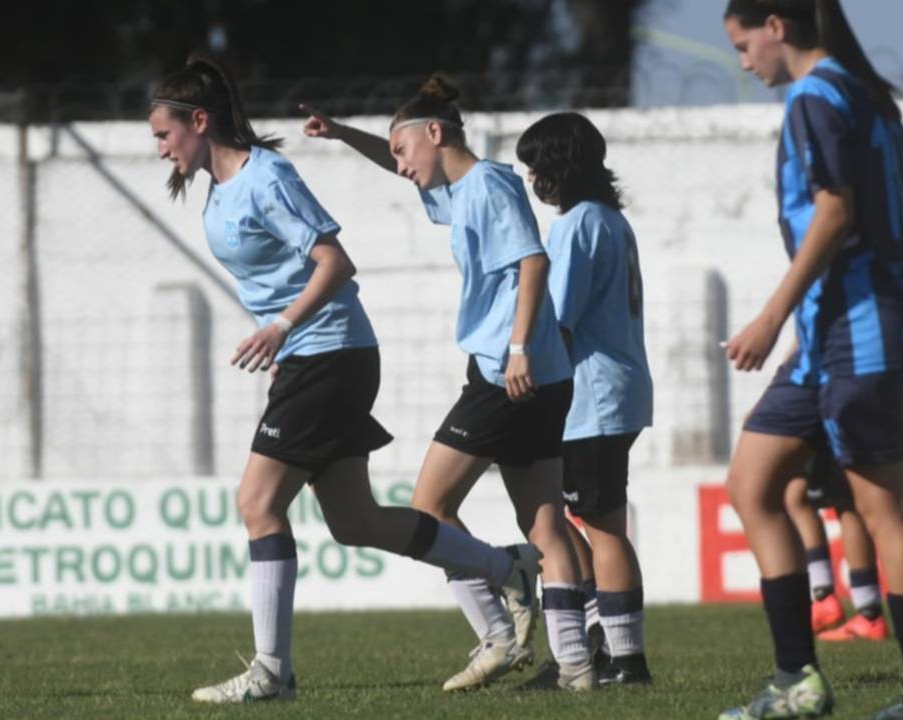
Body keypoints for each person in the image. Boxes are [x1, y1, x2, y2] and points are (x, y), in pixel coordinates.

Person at [148, 54, 542, 704]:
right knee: (355, 521)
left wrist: (281, 327)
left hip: (331, 354)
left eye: (165, 134)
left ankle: (272, 672)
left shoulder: (266, 175)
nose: (161, 149)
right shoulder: (220, 189)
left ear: (199, 121)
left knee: (257, 504)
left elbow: (335, 262)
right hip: (317, 357)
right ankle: (506, 568)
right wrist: (282, 336)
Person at [719, 1, 903, 717]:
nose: (743, 61)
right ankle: (796, 680)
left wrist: (770, 316)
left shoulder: (816, 97)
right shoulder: (869, 99)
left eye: (743, 44)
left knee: (886, 511)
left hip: (857, 336)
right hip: (826, 339)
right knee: (752, 484)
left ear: (777, 26)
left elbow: (836, 211)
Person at [302, 76, 596, 692]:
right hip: (537, 373)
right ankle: (575, 666)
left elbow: (533, 262)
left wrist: (518, 348)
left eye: (404, 150)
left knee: (430, 506)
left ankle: (500, 630)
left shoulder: (486, 185)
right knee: (543, 519)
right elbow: (399, 160)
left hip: (507, 372)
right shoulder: (461, 190)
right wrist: (343, 134)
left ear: (435, 133)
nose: (401, 165)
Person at [514, 112, 654, 686]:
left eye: (537, 168)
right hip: (615, 391)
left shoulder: (577, 226)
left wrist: (525, 372)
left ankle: (627, 661)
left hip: (592, 398)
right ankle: (598, 637)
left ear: (561, 167)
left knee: (601, 526)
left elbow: (559, 321)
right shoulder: (612, 220)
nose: (532, 180)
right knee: (565, 516)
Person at [785, 451, 887, 642]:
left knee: (806, 497)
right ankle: (866, 613)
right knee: (842, 501)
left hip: (830, 434)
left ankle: (830, 601)